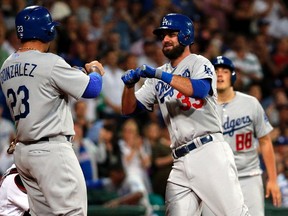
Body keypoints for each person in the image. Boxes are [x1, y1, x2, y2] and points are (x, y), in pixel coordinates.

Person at [121, 13, 250, 216]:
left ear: (186, 36)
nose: (165, 39)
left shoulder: (199, 63)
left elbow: (199, 89)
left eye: (171, 34)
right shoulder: (158, 75)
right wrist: (128, 86)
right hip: (179, 160)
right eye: (163, 35)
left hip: (208, 151)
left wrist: (159, 74)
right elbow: (129, 109)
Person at [0, 5, 105, 216]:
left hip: (24, 153)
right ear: (46, 31)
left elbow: (42, 81)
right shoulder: (50, 62)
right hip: (52, 152)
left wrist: (73, 73)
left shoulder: (6, 65)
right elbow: (92, 89)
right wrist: (94, 71)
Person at [202, 56, 282, 216]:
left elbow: (265, 141)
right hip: (215, 178)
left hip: (248, 176)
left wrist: (273, 180)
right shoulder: (202, 107)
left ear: (232, 76)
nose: (220, 75)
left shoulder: (250, 103)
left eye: (225, 71)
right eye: (216, 71)